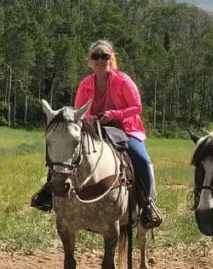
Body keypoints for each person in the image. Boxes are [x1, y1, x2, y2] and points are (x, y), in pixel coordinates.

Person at [30, 40, 163, 228]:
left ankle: (147, 204)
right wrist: (92, 118)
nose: (100, 60)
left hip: (124, 128)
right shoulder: (85, 84)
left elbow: (137, 107)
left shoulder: (123, 80)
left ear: (111, 59)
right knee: (65, 151)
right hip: (93, 127)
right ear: (90, 62)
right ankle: (49, 193)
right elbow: (79, 111)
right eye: (96, 56)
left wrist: (112, 114)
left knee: (141, 158)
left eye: (104, 56)